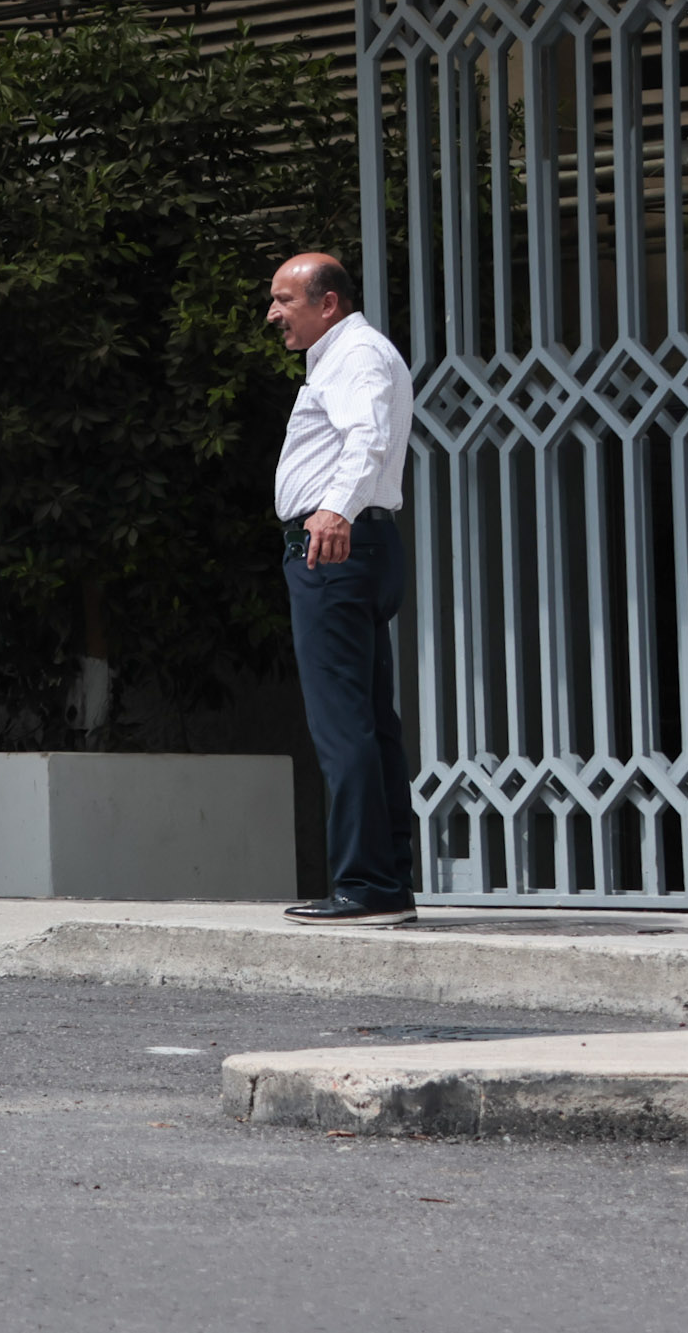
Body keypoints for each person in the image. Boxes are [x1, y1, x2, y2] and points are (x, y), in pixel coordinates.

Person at [265, 255, 418, 927]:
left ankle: (362, 883)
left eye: (284, 299)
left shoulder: (355, 354)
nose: (273, 313)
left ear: (328, 302)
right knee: (371, 722)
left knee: (342, 722)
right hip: (352, 542)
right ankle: (385, 883)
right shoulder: (343, 356)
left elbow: (369, 440)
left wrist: (335, 510)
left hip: (335, 544)